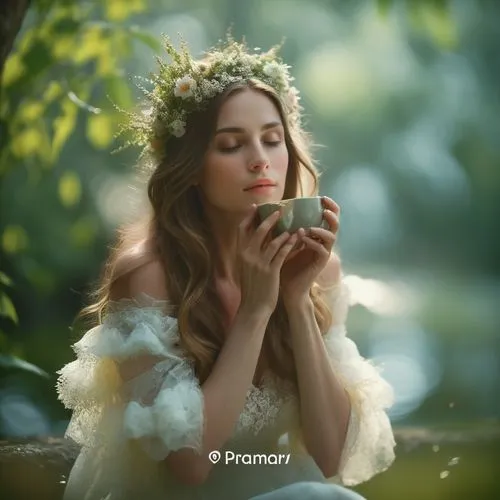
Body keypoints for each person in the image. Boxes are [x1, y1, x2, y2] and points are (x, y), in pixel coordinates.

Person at [56, 35, 396, 500]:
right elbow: (191, 464)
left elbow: (332, 454)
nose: (260, 160)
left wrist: (295, 302)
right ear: (192, 166)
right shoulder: (148, 276)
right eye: (232, 145)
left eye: (272, 140)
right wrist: (257, 310)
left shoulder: (317, 272)